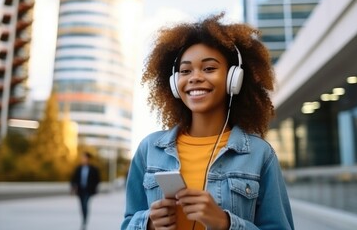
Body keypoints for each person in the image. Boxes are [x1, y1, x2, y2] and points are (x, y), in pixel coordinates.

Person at [122, 13, 294, 229]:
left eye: (209, 68)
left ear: (234, 80)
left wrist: (226, 223)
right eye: (185, 71)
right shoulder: (149, 149)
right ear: (175, 83)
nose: (194, 77)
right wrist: (147, 224)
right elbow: (128, 222)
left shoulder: (260, 154)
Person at [71, 151, 100, 229]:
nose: (83, 159)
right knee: (82, 206)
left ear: (88, 159)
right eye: (82, 158)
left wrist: (95, 188)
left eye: (85, 158)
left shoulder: (93, 169)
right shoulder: (78, 168)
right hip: (80, 190)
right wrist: (73, 187)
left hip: (88, 190)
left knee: (85, 204)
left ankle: (84, 220)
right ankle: (84, 218)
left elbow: (97, 180)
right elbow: (73, 179)